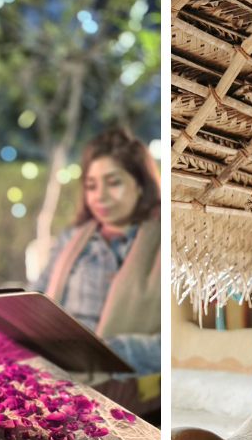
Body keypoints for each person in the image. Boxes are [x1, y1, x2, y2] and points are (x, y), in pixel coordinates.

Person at [31, 127, 161, 378]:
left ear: (141, 185)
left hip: (127, 387)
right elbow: (35, 300)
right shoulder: (72, 238)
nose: (99, 196)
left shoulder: (162, 243)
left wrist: (114, 351)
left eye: (113, 183)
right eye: (91, 186)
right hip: (56, 370)